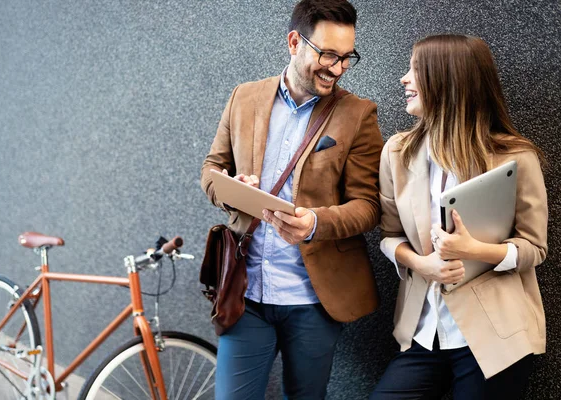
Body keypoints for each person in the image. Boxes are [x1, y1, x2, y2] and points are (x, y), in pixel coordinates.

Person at [200, 0, 383, 398]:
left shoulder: (359, 115)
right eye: (328, 54)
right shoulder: (243, 97)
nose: (337, 68)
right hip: (245, 292)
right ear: (294, 42)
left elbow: (368, 205)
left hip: (312, 299)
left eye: (347, 57)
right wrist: (234, 190)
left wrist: (315, 223)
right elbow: (211, 170)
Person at [371, 34, 548, 400]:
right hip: (422, 332)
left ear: (447, 79)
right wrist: (421, 264)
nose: (404, 79)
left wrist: (476, 250)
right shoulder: (397, 152)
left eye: (415, 70)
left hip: (494, 337)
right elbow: (388, 236)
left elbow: (535, 248)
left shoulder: (515, 157)